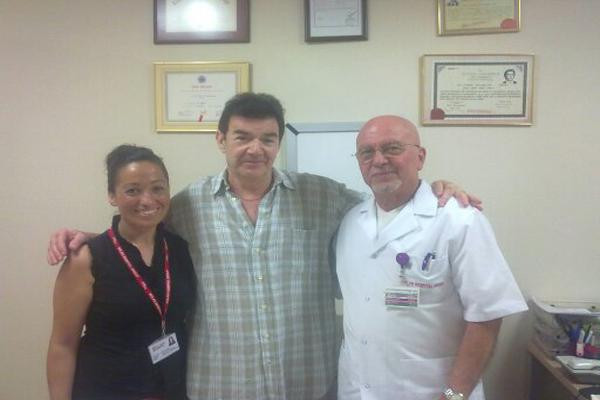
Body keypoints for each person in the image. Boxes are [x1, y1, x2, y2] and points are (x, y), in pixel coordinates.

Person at [47, 93, 481, 400]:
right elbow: (138, 229)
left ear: (278, 143)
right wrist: (87, 240)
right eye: (242, 137)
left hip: (308, 385)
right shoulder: (186, 207)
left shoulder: (322, 196)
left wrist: (433, 189)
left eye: (267, 138)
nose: (255, 149)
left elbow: (388, 204)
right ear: (221, 140)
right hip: (219, 386)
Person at [335, 116, 527, 400]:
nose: (379, 160)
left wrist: (454, 395)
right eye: (367, 152)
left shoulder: (460, 220)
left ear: (420, 157)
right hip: (357, 389)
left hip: (431, 392)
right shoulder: (350, 221)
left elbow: (487, 316)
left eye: (392, 148)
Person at [47, 145, 196, 400]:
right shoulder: (86, 258)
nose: (147, 200)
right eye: (132, 190)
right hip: (105, 390)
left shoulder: (179, 249)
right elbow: (63, 344)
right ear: (112, 196)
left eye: (157, 188)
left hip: (172, 389)